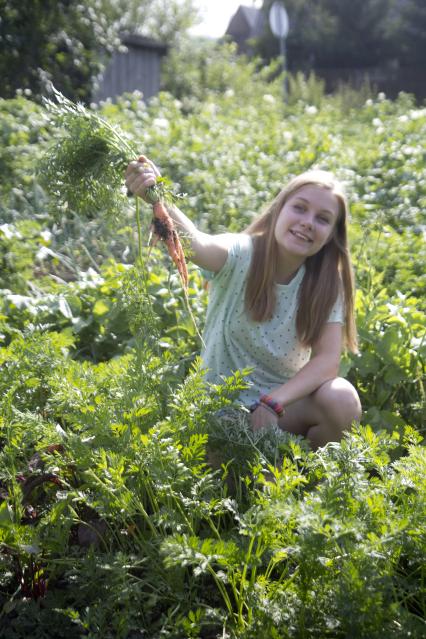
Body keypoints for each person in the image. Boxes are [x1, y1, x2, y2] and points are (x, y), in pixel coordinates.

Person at [125, 156, 362, 449]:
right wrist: (156, 197)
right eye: (299, 208)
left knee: (342, 398)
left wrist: (273, 403)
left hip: (280, 409)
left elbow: (327, 362)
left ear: (330, 236)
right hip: (222, 411)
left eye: (322, 219)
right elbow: (197, 244)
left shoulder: (326, 284)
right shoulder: (241, 254)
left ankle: (308, 480)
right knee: (240, 487)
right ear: (279, 210)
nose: (307, 223)